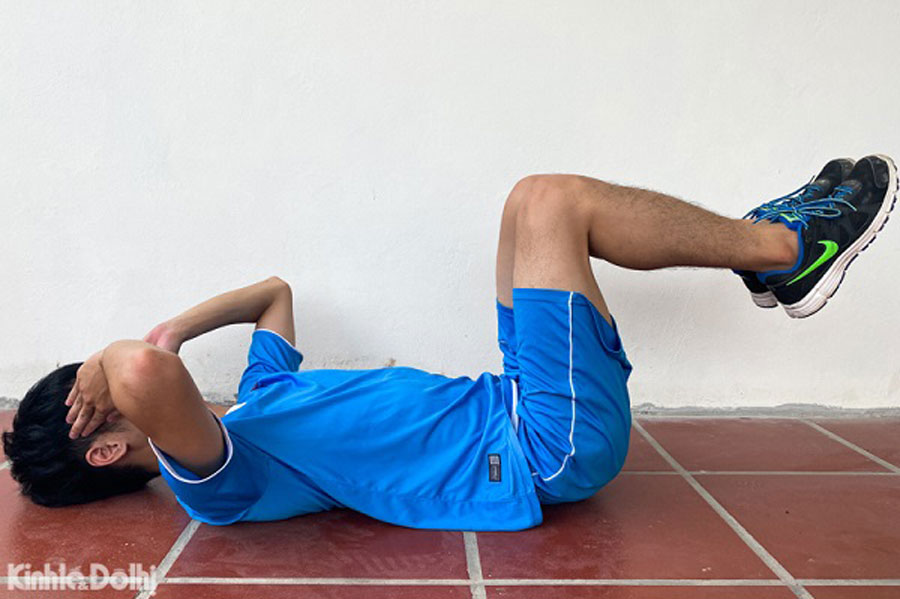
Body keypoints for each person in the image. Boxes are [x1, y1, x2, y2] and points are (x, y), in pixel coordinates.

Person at [4, 155, 895, 531]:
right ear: (111, 445)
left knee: (523, 201)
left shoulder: (257, 403)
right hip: (540, 449)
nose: (114, 376)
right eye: (96, 397)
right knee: (552, 202)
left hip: (512, 398)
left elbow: (273, 293)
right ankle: (787, 250)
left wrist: (171, 328)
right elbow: (143, 373)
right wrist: (118, 361)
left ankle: (769, 250)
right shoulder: (215, 480)